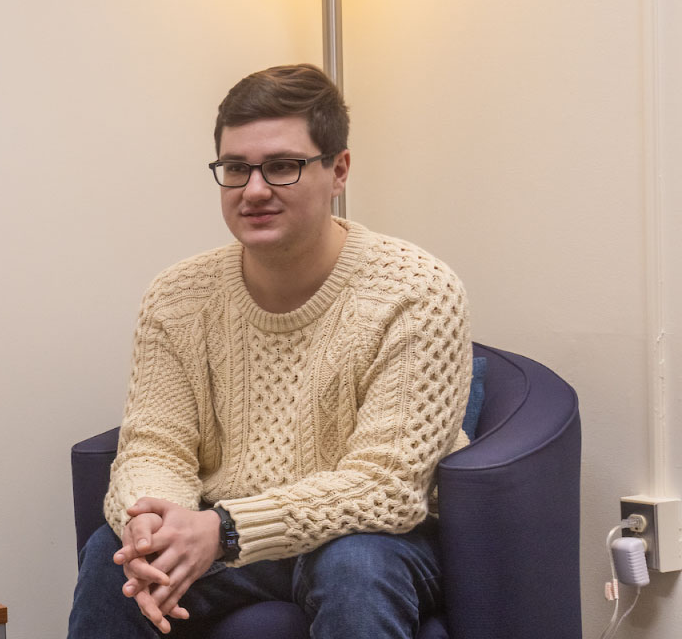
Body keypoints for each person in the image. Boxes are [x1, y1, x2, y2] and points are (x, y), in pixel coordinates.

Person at [65, 64, 473, 638]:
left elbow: (387, 485)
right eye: (236, 169)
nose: (254, 190)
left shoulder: (418, 291)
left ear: (340, 171)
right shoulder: (177, 295)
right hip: (228, 532)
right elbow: (155, 445)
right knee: (115, 557)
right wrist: (151, 523)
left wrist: (226, 530)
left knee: (353, 565)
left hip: (373, 537)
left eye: (282, 167)